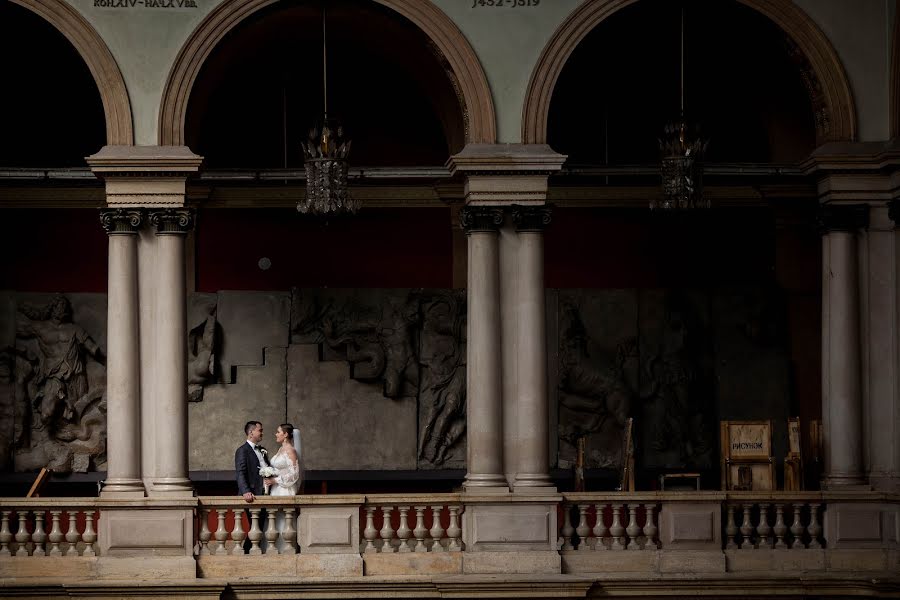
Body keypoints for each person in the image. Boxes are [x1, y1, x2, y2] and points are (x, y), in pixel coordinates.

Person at [263, 423, 303, 552]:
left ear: (285, 434)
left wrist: (275, 479)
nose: (276, 434)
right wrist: (268, 472)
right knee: (273, 519)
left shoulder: (291, 450)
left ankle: (286, 549)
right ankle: (272, 548)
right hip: (276, 489)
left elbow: (294, 474)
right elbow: (281, 469)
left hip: (285, 489)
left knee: (284, 520)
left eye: (278, 431)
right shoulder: (280, 450)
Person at [235, 421, 268, 553]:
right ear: (251, 432)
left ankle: (251, 552)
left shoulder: (262, 450)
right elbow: (240, 472)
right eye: (260, 430)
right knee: (256, 526)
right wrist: (246, 491)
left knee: (262, 525)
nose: (262, 433)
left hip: (265, 494)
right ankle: (246, 551)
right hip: (252, 495)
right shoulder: (242, 450)